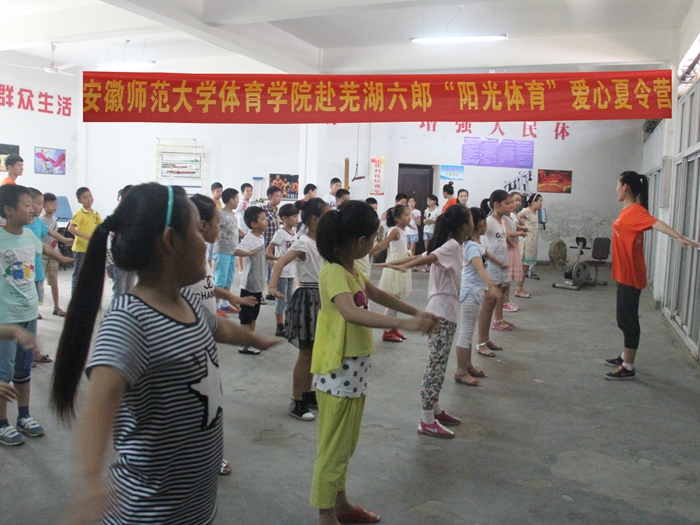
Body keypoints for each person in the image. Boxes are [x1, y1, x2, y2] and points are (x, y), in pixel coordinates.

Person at [49, 183, 276, 524]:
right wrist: (90, 484)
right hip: (147, 512)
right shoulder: (130, 319)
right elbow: (101, 400)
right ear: (171, 241)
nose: (205, 240)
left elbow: (219, 329)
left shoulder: (188, 303)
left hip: (194, 506)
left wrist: (254, 339)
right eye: (197, 230)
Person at [310, 200, 438, 525]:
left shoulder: (351, 268)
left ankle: (340, 505)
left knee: (344, 446)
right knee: (333, 450)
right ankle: (326, 515)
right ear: (360, 242)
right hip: (337, 371)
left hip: (353, 371)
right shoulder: (333, 271)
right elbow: (351, 312)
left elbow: (377, 295)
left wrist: (415, 311)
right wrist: (404, 323)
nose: (374, 243)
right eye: (373, 238)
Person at [382, 205, 474, 438]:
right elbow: (430, 257)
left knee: (439, 364)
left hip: (445, 311)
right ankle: (426, 419)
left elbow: (424, 255)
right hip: (441, 313)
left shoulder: (452, 245)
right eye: (472, 219)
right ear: (465, 226)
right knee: (436, 366)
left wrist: (404, 262)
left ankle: (435, 409)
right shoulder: (451, 245)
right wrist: (404, 265)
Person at [188, 193, 258, 476]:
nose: (222, 228)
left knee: (210, 403)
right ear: (203, 225)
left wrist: (231, 297)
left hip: (205, 348)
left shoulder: (198, 257)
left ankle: (209, 453)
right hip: (191, 350)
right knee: (200, 406)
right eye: (218, 222)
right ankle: (204, 457)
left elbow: (207, 286)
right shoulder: (182, 261)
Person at [604, 171, 699, 380]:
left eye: (617, 184)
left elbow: (656, 223)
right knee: (622, 319)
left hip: (631, 275)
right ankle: (624, 356)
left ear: (625, 186)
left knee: (628, 321)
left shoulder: (637, 211)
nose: (616, 188)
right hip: (623, 273)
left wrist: (679, 237)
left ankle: (628, 367)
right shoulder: (627, 210)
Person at [0, 184, 72, 446]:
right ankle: (2, 422)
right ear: (9, 210)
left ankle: (24, 415)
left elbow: (44, 249)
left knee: (23, 369)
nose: (33, 209)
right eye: (27, 204)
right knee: (3, 373)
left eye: (33, 204)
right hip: (5, 317)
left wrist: (63, 258)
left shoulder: (29, 236)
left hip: (28, 312)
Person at [268, 198, 328, 421]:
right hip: (308, 298)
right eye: (327, 215)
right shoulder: (303, 242)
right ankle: (296, 400)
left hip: (321, 297)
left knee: (314, 351)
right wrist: (272, 286)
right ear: (314, 219)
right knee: (306, 352)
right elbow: (281, 262)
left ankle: (307, 392)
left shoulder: (322, 241)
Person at [454, 207, 503, 382]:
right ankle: (461, 371)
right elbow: (479, 268)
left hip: (475, 292)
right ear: (481, 223)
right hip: (470, 293)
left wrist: (500, 263)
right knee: (466, 333)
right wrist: (492, 286)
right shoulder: (472, 247)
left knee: (468, 332)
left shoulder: (475, 245)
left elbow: (486, 255)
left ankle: (467, 365)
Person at [235, 206, 275, 355]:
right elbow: (236, 250)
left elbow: (262, 254)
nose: (266, 222)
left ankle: (250, 341)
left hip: (258, 284)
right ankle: (243, 344)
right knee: (246, 316)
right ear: (254, 224)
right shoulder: (250, 237)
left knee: (254, 315)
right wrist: (250, 253)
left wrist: (276, 258)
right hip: (249, 285)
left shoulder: (260, 237)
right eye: (263, 219)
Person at [371, 204, 413, 343]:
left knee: (397, 298)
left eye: (409, 215)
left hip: (401, 262)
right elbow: (383, 244)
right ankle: (387, 331)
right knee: (393, 299)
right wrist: (369, 252)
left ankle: (393, 327)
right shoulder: (395, 231)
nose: (409, 217)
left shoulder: (403, 230)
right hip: (395, 264)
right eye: (405, 215)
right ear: (397, 218)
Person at [480, 191, 513, 334]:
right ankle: (486, 333)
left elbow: (502, 238)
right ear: (496, 204)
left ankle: (499, 319)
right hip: (492, 265)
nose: (510, 206)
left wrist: (509, 243)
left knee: (501, 292)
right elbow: (478, 238)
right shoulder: (489, 222)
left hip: (502, 261)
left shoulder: (502, 221)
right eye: (507, 203)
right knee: (490, 299)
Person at [266, 203, 299, 336]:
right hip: (282, 273)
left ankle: (288, 324)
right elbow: (268, 250)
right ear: (285, 218)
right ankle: (279, 327)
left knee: (290, 301)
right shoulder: (280, 233)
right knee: (281, 301)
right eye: (294, 217)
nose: (297, 219)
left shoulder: (295, 233)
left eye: (297, 216)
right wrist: (275, 262)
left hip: (291, 272)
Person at [40, 192, 73, 317]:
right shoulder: (40, 221)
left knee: (54, 283)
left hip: (53, 256)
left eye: (55, 204)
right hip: (42, 257)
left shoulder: (55, 220)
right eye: (51, 204)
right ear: (44, 206)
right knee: (39, 284)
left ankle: (57, 307)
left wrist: (58, 252)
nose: (54, 206)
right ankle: (36, 309)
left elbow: (55, 238)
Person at [68, 186, 102, 293]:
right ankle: (75, 298)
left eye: (90, 196)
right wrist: (86, 236)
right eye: (85, 197)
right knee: (78, 275)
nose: (89, 199)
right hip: (81, 249)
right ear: (79, 201)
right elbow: (71, 228)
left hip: (92, 249)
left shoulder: (96, 214)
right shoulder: (80, 213)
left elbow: (101, 227)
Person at [108, 185, 137, 302]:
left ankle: (127, 308)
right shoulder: (118, 214)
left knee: (130, 288)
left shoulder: (137, 214)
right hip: (120, 257)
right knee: (119, 289)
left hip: (133, 257)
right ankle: (117, 309)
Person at [213, 188, 240, 316]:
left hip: (232, 251)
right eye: (237, 198)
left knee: (228, 279)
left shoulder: (233, 215)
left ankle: (225, 304)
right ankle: (216, 306)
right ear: (231, 200)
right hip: (222, 251)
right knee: (220, 279)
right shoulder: (221, 214)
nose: (238, 201)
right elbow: (215, 228)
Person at [502, 192, 527, 313]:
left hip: (513, 247)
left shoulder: (511, 217)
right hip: (509, 248)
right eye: (509, 203)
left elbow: (515, 226)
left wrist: (521, 228)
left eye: (515, 202)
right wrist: (521, 233)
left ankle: (506, 299)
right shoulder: (503, 218)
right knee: (506, 278)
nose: (513, 205)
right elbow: (509, 233)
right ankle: (504, 301)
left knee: (508, 279)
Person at [516, 193, 543, 298]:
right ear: (533, 202)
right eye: (540, 201)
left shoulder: (535, 212)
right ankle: (518, 289)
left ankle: (520, 288)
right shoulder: (526, 211)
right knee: (523, 267)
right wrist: (522, 226)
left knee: (526, 267)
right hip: (526, 242)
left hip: (532, 242)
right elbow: (516, 217)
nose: (541, 204)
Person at [263, 186, 282, 301]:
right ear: (270, 197)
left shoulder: (277, 211)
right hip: (265, 243)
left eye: (280, 196)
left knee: (273, 268)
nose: (279, 198)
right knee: (264, 268)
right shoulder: (264, 210)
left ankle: (271, 291)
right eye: (277, 196)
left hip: (275, 244)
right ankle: (261, 293)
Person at [236, 182, 254, 273]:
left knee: (248, 249)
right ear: (243, 192)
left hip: (249, 230)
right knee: (240, 249)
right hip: (241, 230)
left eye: (250, 191)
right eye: (247, 191)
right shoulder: (241, 203)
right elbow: (235, 212)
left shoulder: (250, 203)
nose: (249, 193)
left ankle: (246, 267)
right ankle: (240, 269)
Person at [422, 194, 440, 272]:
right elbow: (424, 219)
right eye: (427, 200)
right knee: (427, 248)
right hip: (426, 230)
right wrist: (425, 221)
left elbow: (439, 221)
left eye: (430, 200)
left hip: (433, 230)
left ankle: (433, 265)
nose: (428, 202)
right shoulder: (426, 210)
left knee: (433, 248)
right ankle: (426, 265)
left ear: (434, 201)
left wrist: (432, 221)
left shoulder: (438, 210)